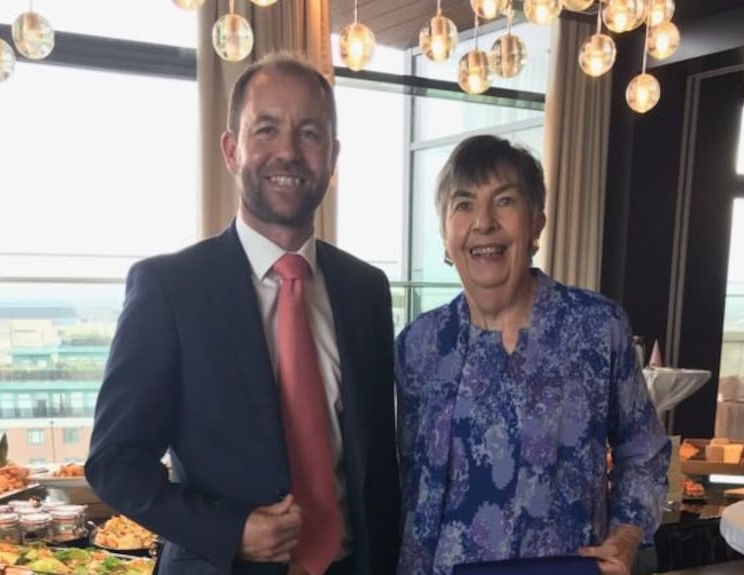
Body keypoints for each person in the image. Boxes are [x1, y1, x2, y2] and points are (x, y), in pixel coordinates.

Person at [86, 53, 399, 575]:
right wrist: (229, 531)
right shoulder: (169, 289)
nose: (288, 152)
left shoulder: (367, 290)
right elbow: (115, 463)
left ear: (333, 155)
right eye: (267, 130)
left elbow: (378, 465)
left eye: (309, 134)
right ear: (231, 149)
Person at [395, 135, 670, 575]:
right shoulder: (419, 345)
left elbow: (644, 451)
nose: (483, 222)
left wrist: (626, 535)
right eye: (463, 205)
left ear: (537, 222)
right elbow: (410, 487)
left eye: (504, 201)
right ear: (446, 236)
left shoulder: (597, 328)